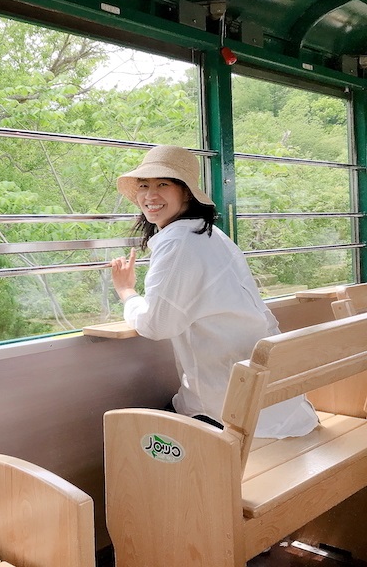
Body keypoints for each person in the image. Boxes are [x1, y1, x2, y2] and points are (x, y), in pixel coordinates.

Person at [109, 144, 318, 438]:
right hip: (277, 406)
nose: (150, 195)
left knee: (132, 436)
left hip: (229, 412)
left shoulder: (178, 242)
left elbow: (156, 324)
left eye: (163, 184)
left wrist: (127, 292)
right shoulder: (208, 234)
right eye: (143, 185)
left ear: (186, 192)